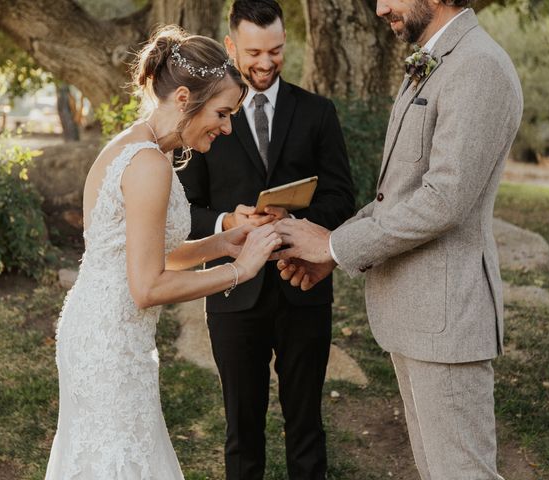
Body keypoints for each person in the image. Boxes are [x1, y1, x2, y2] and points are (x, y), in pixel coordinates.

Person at [274, 1, 523, 479]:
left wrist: (332, 247)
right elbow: (398, 195)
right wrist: (335, 245)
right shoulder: (438, 60)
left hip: (447, 322)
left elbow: (443, 200)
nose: (380, 8)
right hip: (417, 317)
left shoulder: (478, 66)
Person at [45, 25, 282, 480]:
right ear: (183, 99)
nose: (228, 126)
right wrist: (240, 270)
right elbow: (148, 286)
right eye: (222, 112)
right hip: (110, 344)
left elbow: (152, 257)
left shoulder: (138, 144)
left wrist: (222, 242)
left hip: (100, 331)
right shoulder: (149, 164)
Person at [176, 1, 355, 479]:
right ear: (232, 46)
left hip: (305, 289)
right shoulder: (205, 120)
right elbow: (186, 211)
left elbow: (343, 197)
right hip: (233, 295)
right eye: (254, 52)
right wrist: (227, 225)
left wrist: (295, 222)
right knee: (242, 431)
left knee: (306, 428)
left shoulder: (317, 112)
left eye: (276, 50)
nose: (265, 62)